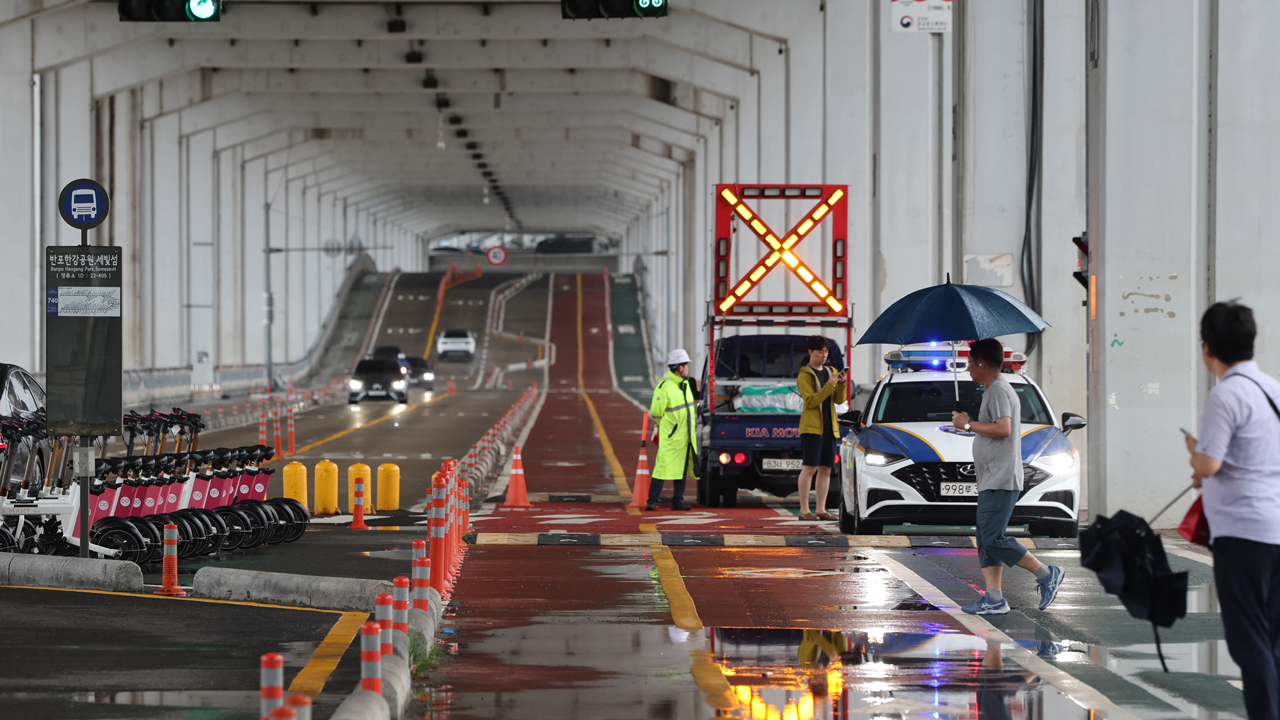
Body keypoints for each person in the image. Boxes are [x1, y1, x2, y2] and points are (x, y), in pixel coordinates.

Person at [1184, 301, 1280, 720]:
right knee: (1273, 637)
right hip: (1275, 527)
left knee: (1249, 641)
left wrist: (1195, 453)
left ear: (1207, 349)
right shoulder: (1273, 389)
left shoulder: (1225, 395)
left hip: (1243, 534)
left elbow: (1209, 465)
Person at [951, 338, 1063, 614]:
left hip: (1001, 478)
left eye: (968, 363)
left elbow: (1003, 429)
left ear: (981, 363)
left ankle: (1047, 574)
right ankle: (994, 598)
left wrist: (967, 425)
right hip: (992, 477)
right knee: (987, 538)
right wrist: (968, 425)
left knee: (992, 539)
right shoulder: (993, 390)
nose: (967, 369)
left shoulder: (999, 389)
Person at [796, 335, 847, 521]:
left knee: (826, 469)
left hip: (829, 427)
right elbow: (811, 401)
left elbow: (839, 400)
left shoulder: (831, 370)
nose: (824, 355)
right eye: (820, 352)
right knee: (810, 467)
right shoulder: (805, 375)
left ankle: (820, 509)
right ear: (811, 352)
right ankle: (804, 510)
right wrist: (829, 385)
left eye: (826, 352)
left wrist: (841, 383)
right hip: (812, 429)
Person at [647, 349, 699, 511]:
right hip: (672, 436)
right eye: (686, 365)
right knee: (662, 468)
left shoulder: (684, 385)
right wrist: (668, 426)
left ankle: (678, 501)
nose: (688, 368)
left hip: (685, 437)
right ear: (679, 367)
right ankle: (651, 501)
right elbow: (655, 412)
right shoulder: (666, 386)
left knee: (681, 470)